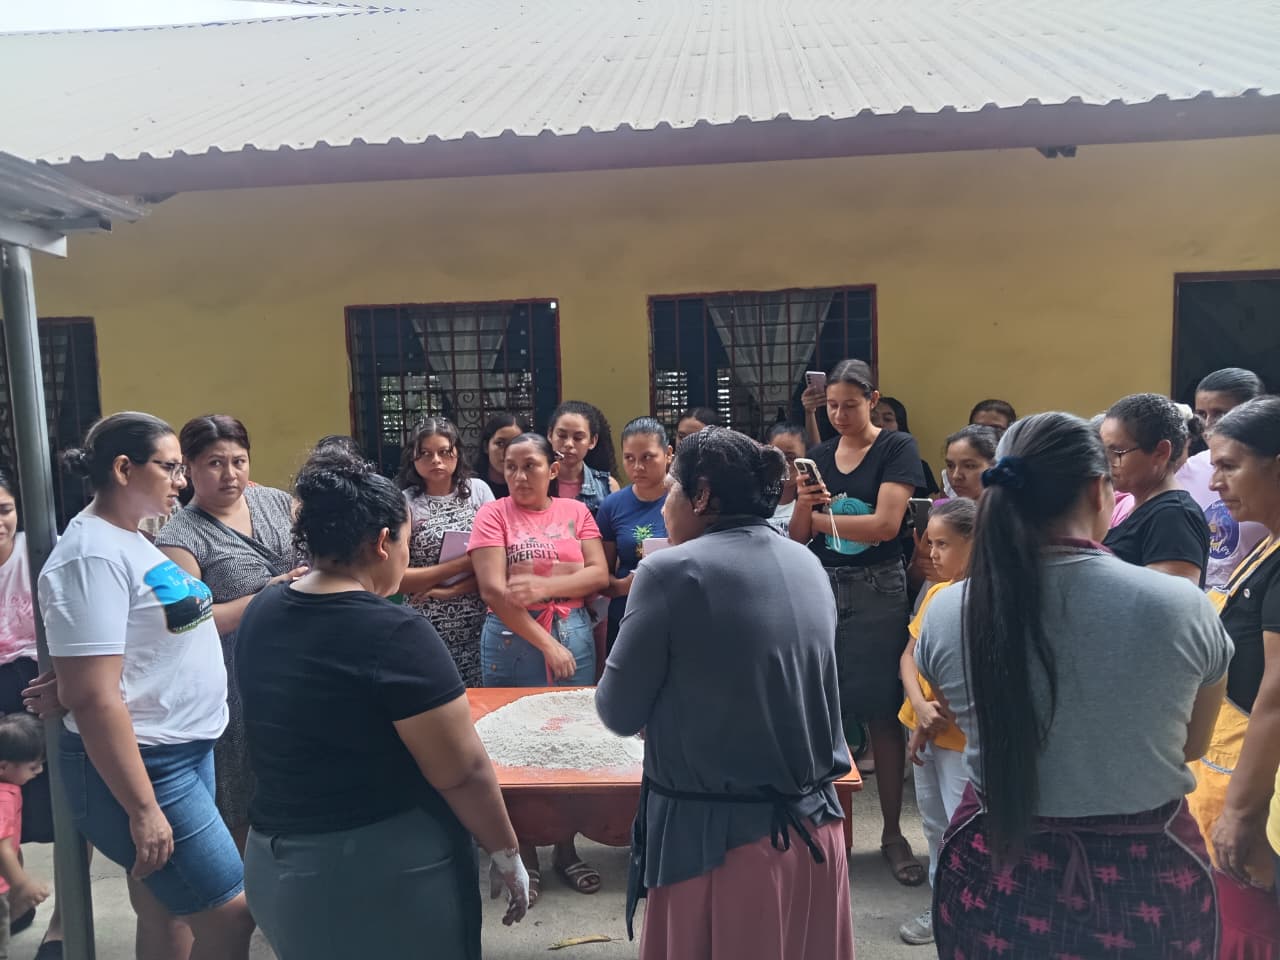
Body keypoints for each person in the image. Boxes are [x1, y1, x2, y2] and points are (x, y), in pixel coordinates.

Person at [917, 412, 1231, 957]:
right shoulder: (1181, 605)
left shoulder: (947, 611)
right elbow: (1192, 745)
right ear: (1096, 489)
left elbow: (966, 718)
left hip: (993, 874)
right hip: (1145, 882)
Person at [234, 446, 528, 958]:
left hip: (275, 860)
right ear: (381, 542)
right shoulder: (394, 632)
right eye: (407, 542)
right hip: (375, 867)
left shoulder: (265, 606)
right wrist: (506, 851)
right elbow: (462, 771)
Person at [596, 427, 854, 960]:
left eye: (673, 487)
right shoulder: (805, 560)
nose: (665, 503)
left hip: (720, 845)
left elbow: (618, 710)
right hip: (814, 830)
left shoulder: (670, 570)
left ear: (703, 495)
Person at [38, 412, 255, 959]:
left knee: (167, 910)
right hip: (150, 764)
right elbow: (93, 696)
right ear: (122, 469)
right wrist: (142, 809)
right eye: (170, 468)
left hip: (184, 748)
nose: (181, 482)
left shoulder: (131, 538)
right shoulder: (90, 556)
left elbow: (141, 640)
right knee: (231, 915)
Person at [788, 358, 926, 886]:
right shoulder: (820, 455)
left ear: (873, 399)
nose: (840, 415)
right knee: (816, 712)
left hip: (878, 589)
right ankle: (821, 833)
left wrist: (821, 518)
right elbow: (799, 536)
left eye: (850, 404)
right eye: (831, 406)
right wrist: (806, 506)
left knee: (882, 714)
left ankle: (892, 833)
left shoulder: (897, 448)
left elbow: (885, 526)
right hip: (821, 584)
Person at [468, 433, 609, 903]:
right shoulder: (493, 515)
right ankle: (523, 852)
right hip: (513, 638)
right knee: (512, 746)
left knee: (569, 742)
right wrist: (546, 643)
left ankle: (566, 848)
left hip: (572, 630)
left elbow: (598, 574)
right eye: (510, 466)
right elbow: (494, 589)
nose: (519, 475)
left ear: (553, 469)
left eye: (530, 465)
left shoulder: (576, 512)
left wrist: (544, 586)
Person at [154, 415, 307, 846]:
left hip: (299, 661)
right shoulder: (178, 539)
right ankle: (244, 876)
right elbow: (190, 622)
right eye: (215, 463)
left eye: (238, 461)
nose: (230, 474)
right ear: (188, 468)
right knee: (240, 787)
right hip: (234, 678)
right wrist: (268, 596)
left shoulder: (277, 503)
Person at [1187, 396, 1280, 957]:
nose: (1214, 482)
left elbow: (1277, 696)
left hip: (1263, 801)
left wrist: (1242, 814)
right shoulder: (1266, 544)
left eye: (1229, 465)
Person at [896, 498, 976, 947]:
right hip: (924, 726)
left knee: (960, 827)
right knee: (933, 823)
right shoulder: (937, 592)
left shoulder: (980, 599)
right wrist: (918, 708)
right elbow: (909, 657)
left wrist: (927, 721)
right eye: (930, 543)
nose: (932, 554)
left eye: (943, 544)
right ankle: (940, 901)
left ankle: (964, 907)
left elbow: (955, 676)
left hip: (958, 739)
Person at [0, 469, 61, 953]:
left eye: (4, 510)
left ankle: (64, 922)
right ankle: (13, 897)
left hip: (38, 689)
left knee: (66, 808)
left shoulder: (41, 551)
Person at [396, 417, 493, 686]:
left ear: (457, 453)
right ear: (413, 458)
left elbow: (496, 565)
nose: (436, 460)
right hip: (426, 621)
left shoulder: (478, 491)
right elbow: (398, 578)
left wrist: (448, 590)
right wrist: (468, 561)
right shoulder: (406, 502)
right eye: (426, 454)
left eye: (444, 452)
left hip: (478, 618)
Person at [1100, 393, 1210, 586]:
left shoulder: (1174, 516)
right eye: (1103, 451)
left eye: (1117, 452)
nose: (1107, 462)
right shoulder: (1144, 507)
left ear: (1161, 452)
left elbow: (1171, 600)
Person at [1177, 368, 1269, 591]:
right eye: (1201, 414)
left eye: (1221, 414)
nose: (1209, 424)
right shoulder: (1188, 469)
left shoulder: (1267, 473)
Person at [596, 418, 671, 651]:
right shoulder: (612, 506)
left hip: (675, 612)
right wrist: (625, 586)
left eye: (647, 457)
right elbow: (601, 576)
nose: (638, 466)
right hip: (627, 614)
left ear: (668, 454)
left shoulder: (686, 502)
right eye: (629, 458)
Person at [0, 713, 50, 959]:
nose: (40, 771)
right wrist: (22, 884)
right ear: (3, 766)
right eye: (33, 766)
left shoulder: (9, 788)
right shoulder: (3, 799)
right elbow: (2, 848)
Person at [548, 401, 619, 514]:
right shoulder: (536, 481)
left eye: (578, 438)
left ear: (592, 441)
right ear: (550, 435)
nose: (569, 444)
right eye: (562, 435)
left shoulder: (607, 486)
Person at [877, 397, 940, 497]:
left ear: (900, 425)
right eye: (872, 419)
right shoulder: (856, 464)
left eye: (888, 419)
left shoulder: (920, 467)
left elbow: (932, 505)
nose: (879, 424)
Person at [472, 413, 532, 500]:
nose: (508, 451)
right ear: (486, 447)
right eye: (500, 443)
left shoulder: (533, 483)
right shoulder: (471, 486)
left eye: (516, 443)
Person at [765, 422, 806, 534]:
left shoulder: (813, 504)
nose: (783, 464)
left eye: (791, 457)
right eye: (776, 457)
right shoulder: (756, 502)